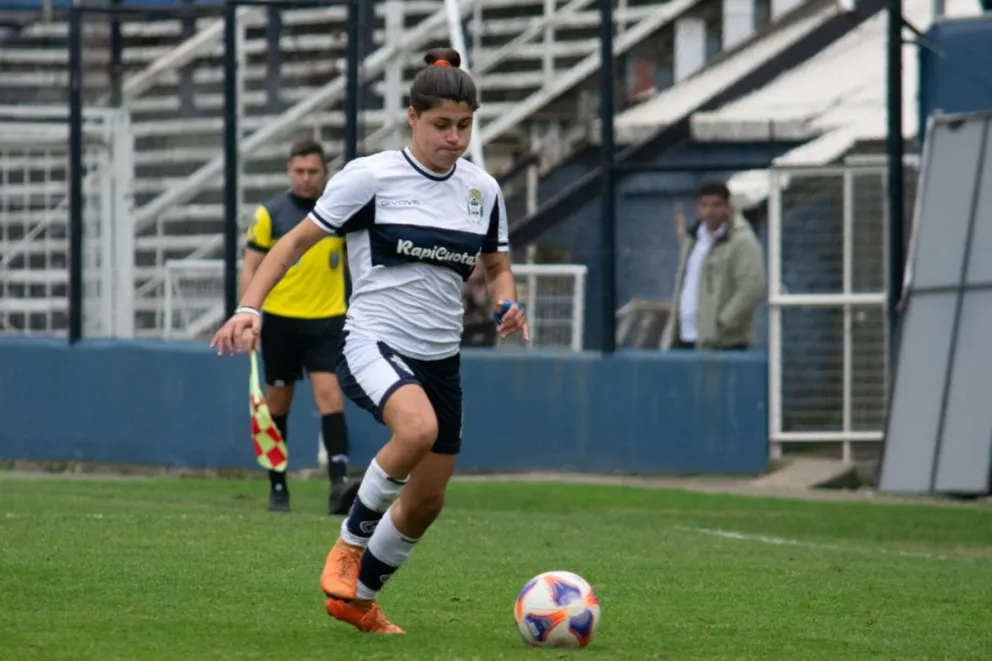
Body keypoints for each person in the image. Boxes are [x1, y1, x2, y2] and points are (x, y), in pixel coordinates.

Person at [211, 47, 528, 634]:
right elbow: (292, 244)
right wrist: (249, 306)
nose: (454, 138)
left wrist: (508, 300)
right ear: (412, 117)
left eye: (464, 125)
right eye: (441, 125)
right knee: (417, 429)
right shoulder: (370, 176)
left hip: (441, 358)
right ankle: (347, 546)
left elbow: (496, 264)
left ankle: (355, 598)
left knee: (427, 501)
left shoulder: (482, 190)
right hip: (371, 341)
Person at [241, 138, 354, 515]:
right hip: (280, 323)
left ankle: (339, 484)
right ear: (290, 171)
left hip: (326, 320)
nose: (306, 178)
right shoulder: (270, 215)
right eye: (300, 171)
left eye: (314, 171)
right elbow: (251, 268)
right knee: (279, 405)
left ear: (325, 173)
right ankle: (278, 487)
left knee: (331, 398)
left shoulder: (338, 211)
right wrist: (249, 314)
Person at [661, 181, 766, 351]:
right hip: (685, 336)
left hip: (723, 342)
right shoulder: (693, 238)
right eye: (704, 205)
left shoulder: (741, 240)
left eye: (716, 205)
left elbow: (751, 288)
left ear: (727, 207)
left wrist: (722, 323)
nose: (709, 211)